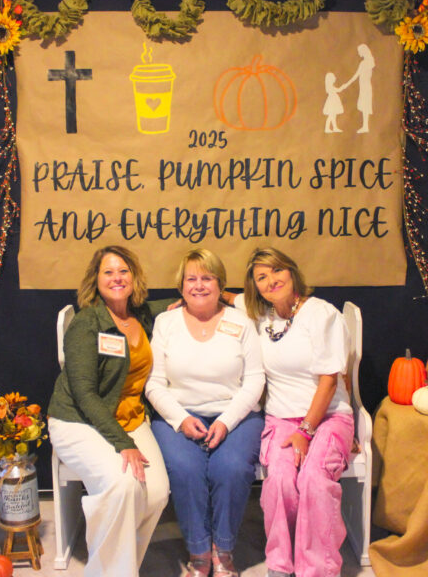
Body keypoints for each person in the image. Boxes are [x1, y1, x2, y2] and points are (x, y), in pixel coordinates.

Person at [47, 245, 170, 577]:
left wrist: (222, 297)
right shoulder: (87, 324)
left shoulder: (141, 315)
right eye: (108, 272)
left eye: (123, 271)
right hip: (78, 421)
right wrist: (123, 443)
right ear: (96, 280)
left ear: (134, 277)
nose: (117, 278)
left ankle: (119, 567)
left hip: (129, 417)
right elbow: (85, 395)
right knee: (122, 486)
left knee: (157, 492)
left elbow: (178, 302)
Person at [145, 248, 265, 577]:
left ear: (220, 285)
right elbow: (154, 383)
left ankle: (223, 550)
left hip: (236, 414)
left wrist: (226, 421)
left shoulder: (242, 322)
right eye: (191, 279)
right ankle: (199, 551)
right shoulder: (166, 322)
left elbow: (255, 380)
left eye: (207, 278)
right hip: (178, 414)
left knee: (230, 468)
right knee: (186, 469)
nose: (199, 285)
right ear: (181, 286)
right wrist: (181, 419)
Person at [237, 247, 354, 577]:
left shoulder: (322, 314)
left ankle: (317, 569)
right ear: (256, 287)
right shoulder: (261, 317)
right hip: (280, 418)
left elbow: (329, 382)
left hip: (328, 416)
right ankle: (280, 564)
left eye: (277, 270)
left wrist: (305, 431)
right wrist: (184, 302)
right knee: (280, 482)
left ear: (292, 272)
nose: (271, 280)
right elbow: (226, 297)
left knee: (315, 479)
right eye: (262, 277)